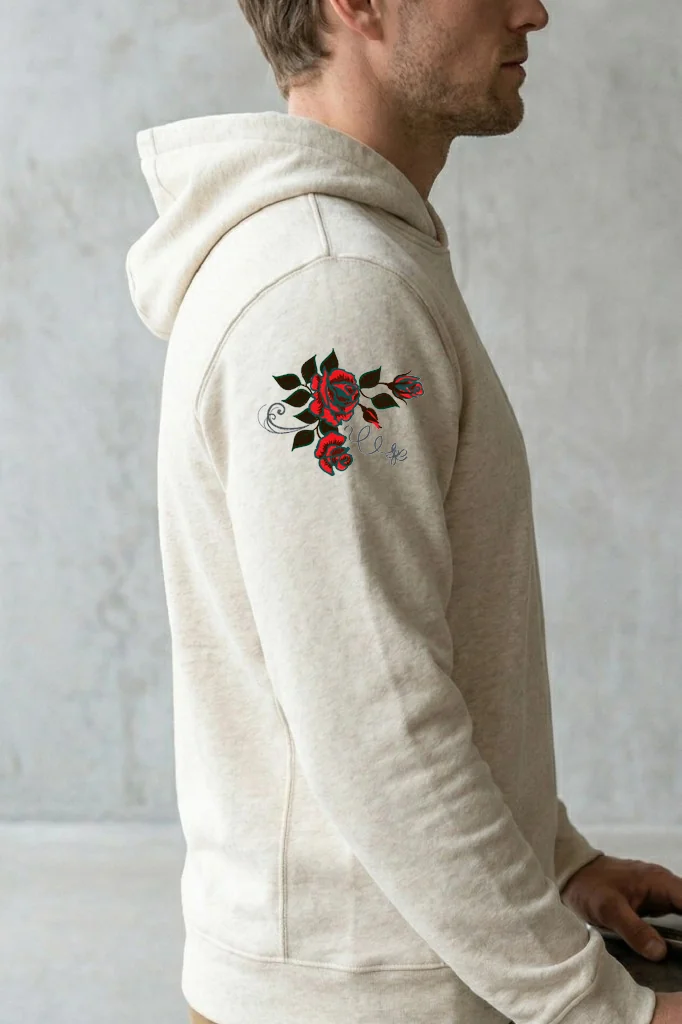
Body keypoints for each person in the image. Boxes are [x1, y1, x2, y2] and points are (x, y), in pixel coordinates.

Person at [125, 1, 681, 1022]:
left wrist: (554, 860)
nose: (533, 10)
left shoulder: (351, 258)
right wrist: (600, 1008)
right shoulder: (330, 293)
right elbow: (376, 723)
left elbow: (392, 658)